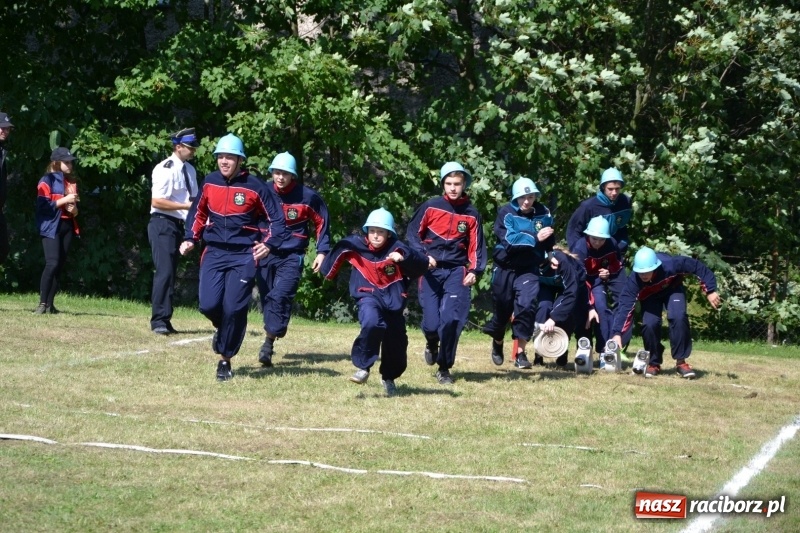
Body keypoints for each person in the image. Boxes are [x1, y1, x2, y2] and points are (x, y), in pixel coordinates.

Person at [179, 134, 287, 382]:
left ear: (240, 160)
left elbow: (276, 221)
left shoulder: (255, 186)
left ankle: (225, 360)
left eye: (230, 157)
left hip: (244, 255)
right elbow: (198, 213)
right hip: (214, 252)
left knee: (234, 307)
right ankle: (224, 327)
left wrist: (268, 244)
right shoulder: (210, 182)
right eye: (221, 157)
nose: (224, 161)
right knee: (208, 305)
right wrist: (191, 238)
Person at [321, 208, 428, 396]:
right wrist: (326, 268)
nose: (376, 236)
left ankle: (389, 378)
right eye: (372, 231)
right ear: (367, 231)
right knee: (371, 322)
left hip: (393, 303)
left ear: (389, 234)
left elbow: (421, 264)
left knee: (396, 344)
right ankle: (363, 367)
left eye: (380, 232)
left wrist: (402, 260)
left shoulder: (398, 249)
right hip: (367, 295)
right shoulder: (356, 246)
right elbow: (340, 249)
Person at [407, 161, 487, 385]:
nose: (453, 188)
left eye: (457, 184)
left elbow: (477, 246)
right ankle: (432, 342)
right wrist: (424, 256)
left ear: (464, 185)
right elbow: (413, 234)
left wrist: (475, 270)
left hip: (456, 271)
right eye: (449, 183)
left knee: (451, 320)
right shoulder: (430, 206)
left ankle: (444, 368)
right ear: (443, 184)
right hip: (430, 270)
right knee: (432, 324)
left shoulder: (471, 214)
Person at [256, 152, 331, 366]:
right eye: (277, 173)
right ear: (272, 173)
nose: (280, 177)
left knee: (280, 295)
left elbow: (322, 221)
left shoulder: (307, 197)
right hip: (265, 253)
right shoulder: (262, 192)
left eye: (285, 174)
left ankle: (268, 343)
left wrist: (322, 252)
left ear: (292, 176)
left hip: (292, 255)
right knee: (268, 298)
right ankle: (274, 331)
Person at [610, 247, 722, 379]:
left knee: (678, 316)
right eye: (640, 272)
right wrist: (617, 333)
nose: (643, 275)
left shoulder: (671, 265)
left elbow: (697, 267)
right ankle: (654, 363)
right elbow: (625, 308)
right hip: (650, 296)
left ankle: (681, 363)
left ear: (655, 267)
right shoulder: (633, 281)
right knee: (649, 324)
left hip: (673, 289)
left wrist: (710, 290)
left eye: (647, 271)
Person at [481, 177, 554, 369]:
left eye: (530, 197)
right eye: (522, 198)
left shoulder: (544, 212)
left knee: (527, 306)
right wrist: (535, 238)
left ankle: (520, 352)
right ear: (515, 198)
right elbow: (511, 241)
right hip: (504, 268)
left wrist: (550, 254)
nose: (527, 201)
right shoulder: (506, 213)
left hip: (528, 269)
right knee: (502, 311)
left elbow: (548, 236)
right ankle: (498, 340)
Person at [148, 128, 200, 335]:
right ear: (178, 147)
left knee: (171, 271)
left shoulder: (190, 170)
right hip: (163, 223)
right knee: (165, 271)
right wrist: (186, 207)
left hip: (179, 224)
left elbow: (193, 198)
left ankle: (166, 318)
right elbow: (157, 201)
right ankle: (158, 320)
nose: (193, 150)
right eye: (190, 147)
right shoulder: (165, 168)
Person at [572, 216, 631, 354]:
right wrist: (589, 306)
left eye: (602, 239)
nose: (598, 242)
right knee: (583, 312)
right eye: (594, 239)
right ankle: (584, 347)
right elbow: (579, 278)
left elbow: (616, 264)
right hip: (581, 284)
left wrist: (608, 271)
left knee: (602, 308)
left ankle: (604, 348)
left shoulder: (611, 244)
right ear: (588, 235)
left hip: (597, 282)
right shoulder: (579, 248)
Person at [34, 147, 80, 314]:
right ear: (56, 163)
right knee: (52, 263)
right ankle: (42, 304)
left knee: (59, 266)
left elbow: (75, 210)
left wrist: (75, 210)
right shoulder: (46, 180)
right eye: (66, 162)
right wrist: (64, 200)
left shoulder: (71, 182)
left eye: (71, 162)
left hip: (67, 226)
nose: (70, 165)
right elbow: (42, 207)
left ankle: (50, 305)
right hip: (51, 226)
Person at [535, 247, 590, 367]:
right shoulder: (529, 262)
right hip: (546, 284)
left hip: (571, 286)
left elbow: (571, 294)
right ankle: (538, 353)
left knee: (563, 311)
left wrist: (553, 318)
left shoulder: (563, 261)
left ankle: (562, 349)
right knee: (543, 307)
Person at [566, 167, 632, 255]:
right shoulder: (588, 206)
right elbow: (573, 231)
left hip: (612, 250)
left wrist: (622, 245)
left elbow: (622, 226)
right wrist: (577, 252)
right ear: (603, 187)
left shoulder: (625, 202)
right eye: (610, 189)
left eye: (617, 189)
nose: (614, 193)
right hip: (590, 250)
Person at [0, 111, 13, 265]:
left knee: (3, 248)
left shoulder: (2, 151)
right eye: (2, 128)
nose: (5, 131)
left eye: (7, 128)